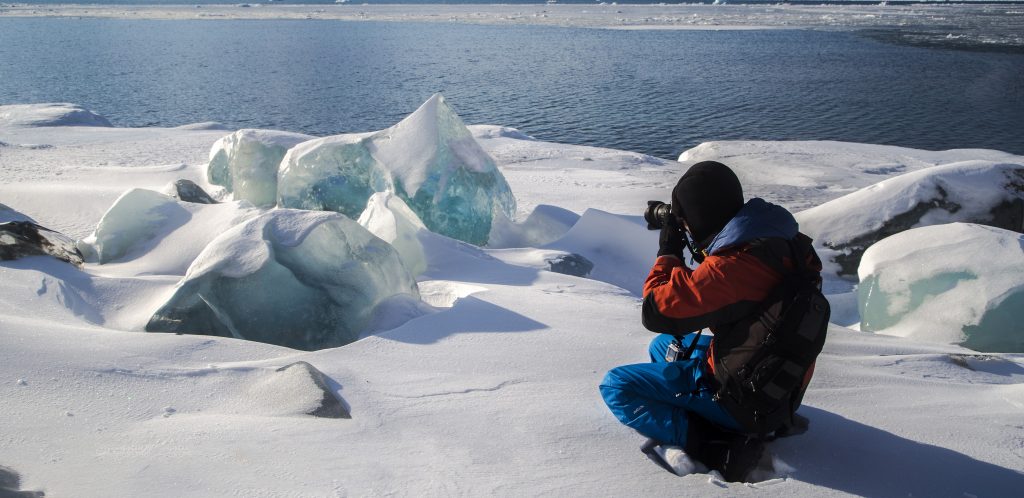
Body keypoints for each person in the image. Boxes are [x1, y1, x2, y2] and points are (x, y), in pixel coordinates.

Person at [599, 160, 823, 481]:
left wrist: (669, 251)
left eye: (686, 218)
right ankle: (710, 412)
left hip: (747, 401)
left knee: (617, 386)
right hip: (782, 386)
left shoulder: (731, 267)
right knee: (663, 346)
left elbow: (656, 310)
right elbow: (736, 289)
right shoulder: (784, 244)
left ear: (700, 217)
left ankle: (713, 443)